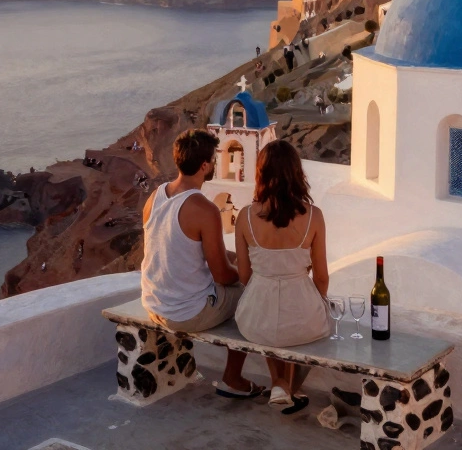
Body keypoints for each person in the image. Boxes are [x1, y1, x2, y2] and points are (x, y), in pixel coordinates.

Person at [140, 130, 262, 399]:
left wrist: (233, 256)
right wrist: (246, 274)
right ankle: (233, 378)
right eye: (213, 161)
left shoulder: (155, 197)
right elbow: (222, 276)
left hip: (154, 303)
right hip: (186, 312)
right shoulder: (204, 209)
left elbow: (179, 247)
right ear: (205, 166)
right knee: (251, 295)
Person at [234, 140, 330, 414]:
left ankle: (279, 383)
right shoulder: (314, 216)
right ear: (296, 173)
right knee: (299, 322)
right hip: (302, 317)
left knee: (270, 323)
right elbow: (321, 277)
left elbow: (243, 275)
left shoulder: (245, 217)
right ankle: (288, 385)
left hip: (256, 318)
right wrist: (320, 302)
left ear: (260, 174)